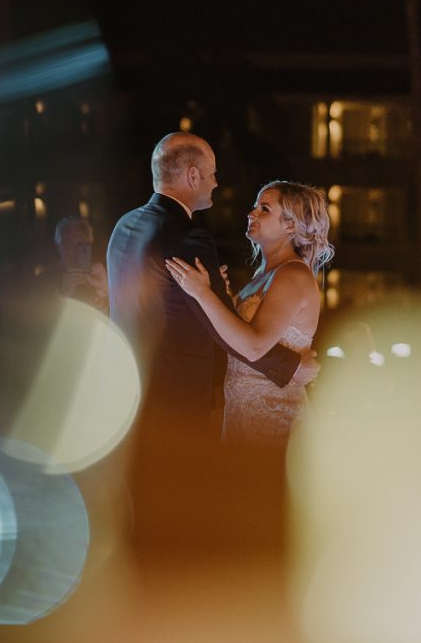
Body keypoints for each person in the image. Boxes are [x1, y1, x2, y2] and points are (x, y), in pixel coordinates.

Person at [106, 133, 314, 560]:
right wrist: (290, 365)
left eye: (264, 207)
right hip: (177, 399)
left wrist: (211, 292)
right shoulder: (187, 235)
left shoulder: (124, 226)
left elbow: (170, 312)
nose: (218, 184)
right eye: (214, 174)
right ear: (193, 174)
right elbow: (225, 328)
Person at [166, 180, 333, 445]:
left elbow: (254, 346)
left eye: (264, 209)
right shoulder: (262, 275)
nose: (251, 213)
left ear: (290, 225)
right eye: (255, 206)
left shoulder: (293, 274)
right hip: (242, 413)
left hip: (274, 419)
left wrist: (202, 293)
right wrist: (221, 295)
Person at [51, 215, 108, 313]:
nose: (74, 250)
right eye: (68, 243)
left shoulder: (99, 276)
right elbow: (37, 323)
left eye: (81, 244)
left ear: (90, 245)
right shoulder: (43, 281)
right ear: (58, 246)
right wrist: (63, 293)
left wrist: (104, 293)